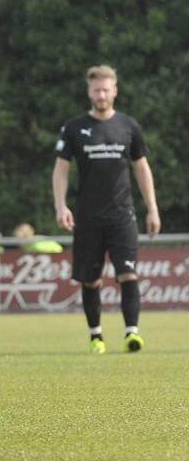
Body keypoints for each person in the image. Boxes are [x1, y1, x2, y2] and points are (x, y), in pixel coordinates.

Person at [52, 64, 160, 354]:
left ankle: (131, 333)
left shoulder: (129, 126)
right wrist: (61, 205)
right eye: (96, 90)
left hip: (122, 215)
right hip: (88, 217)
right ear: (89, 92)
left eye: (106, 89)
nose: (101, 95)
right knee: (91, 280)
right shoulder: (74, 127)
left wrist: (152, 208)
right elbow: (61, 169)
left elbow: (141, 168)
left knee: (128, 274)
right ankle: (96, 336)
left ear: (115, 91)